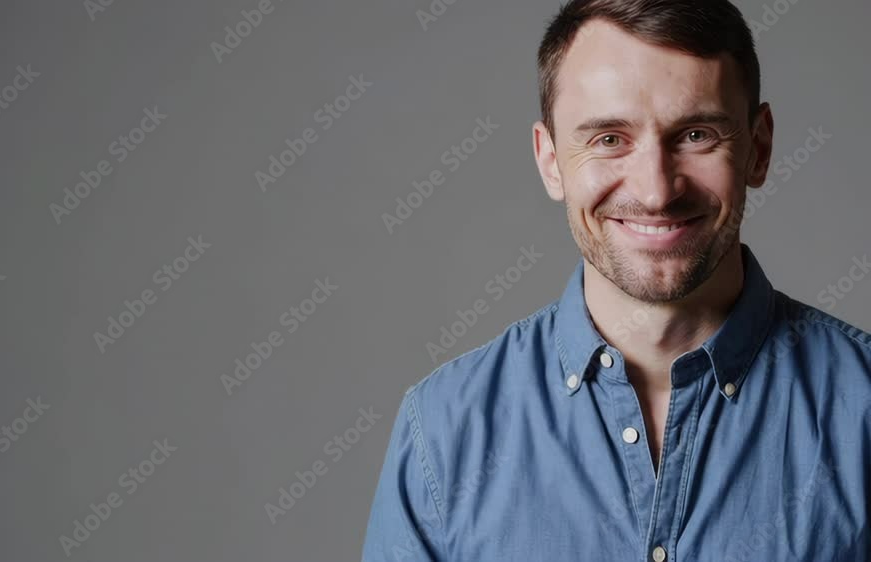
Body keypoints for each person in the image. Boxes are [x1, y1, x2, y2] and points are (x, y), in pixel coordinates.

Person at [361, 0, 870, 560]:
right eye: (608, 139)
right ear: (550, 161)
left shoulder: (863, 411)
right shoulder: (442, 431)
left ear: (759, 148)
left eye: (696, 134)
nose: (656, 192)